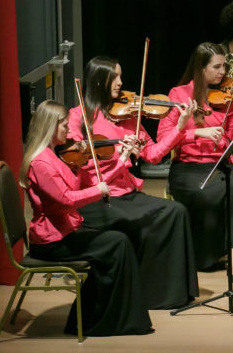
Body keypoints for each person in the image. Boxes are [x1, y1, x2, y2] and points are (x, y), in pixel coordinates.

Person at [68, 56, 199, 309]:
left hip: (127, 194)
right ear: (98, 81)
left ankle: (168, 295)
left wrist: (180, 127)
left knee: (177, 211)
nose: (121, 82)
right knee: (156, 218)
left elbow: (154, 154)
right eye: (114, 77)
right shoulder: (79, 118)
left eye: (120, 76)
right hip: (99, 198)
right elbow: (77, 161)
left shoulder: (129, 116)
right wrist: (120, 153)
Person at [20, 101, 152, 336]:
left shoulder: (55, 156)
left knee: (119, 241)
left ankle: (105, 317)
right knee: (117, 242)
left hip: (65, 231)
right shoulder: (41, 162)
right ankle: (101, 320)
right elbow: (67, 199)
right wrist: (100, 189)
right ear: (50, 127)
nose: (68, 131)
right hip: (52, 242)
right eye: (63, 125)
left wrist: (119, 161)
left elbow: (83, 185)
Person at [158, 42, 233, 283]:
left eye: (224, 66)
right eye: (217, 67)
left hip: (219, 163)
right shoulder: (179, 94)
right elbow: (163, 139)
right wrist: (195, 134)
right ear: (201, 69)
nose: (223, 72)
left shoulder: (231, 96)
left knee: (230, 185)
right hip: (187, 166)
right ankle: (203, 254)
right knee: (205, 193)